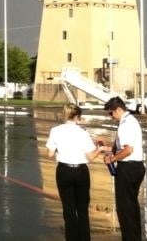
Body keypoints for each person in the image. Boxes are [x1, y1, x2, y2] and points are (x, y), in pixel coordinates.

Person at [46, 103, 104, 241]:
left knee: (69, 208)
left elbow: (49, 153)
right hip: (81, 171)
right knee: (82, 208)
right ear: (77, 117)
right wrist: (99, 150)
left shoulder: (55, 130)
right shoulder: (83, 133)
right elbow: (90, 157)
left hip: (64, 170)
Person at [103, 96, 145, 241]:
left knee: (125, 209)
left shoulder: (125, 124)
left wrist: (112, 159)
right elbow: (122, 147)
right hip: (137, 167)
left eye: (111, 113)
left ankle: (129, 238)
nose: (111, 116)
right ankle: (135, 237)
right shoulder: (131, 120)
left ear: (119, 109)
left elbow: (128, 150)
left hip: (128, 168)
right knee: (132, 206)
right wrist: (107, 148)